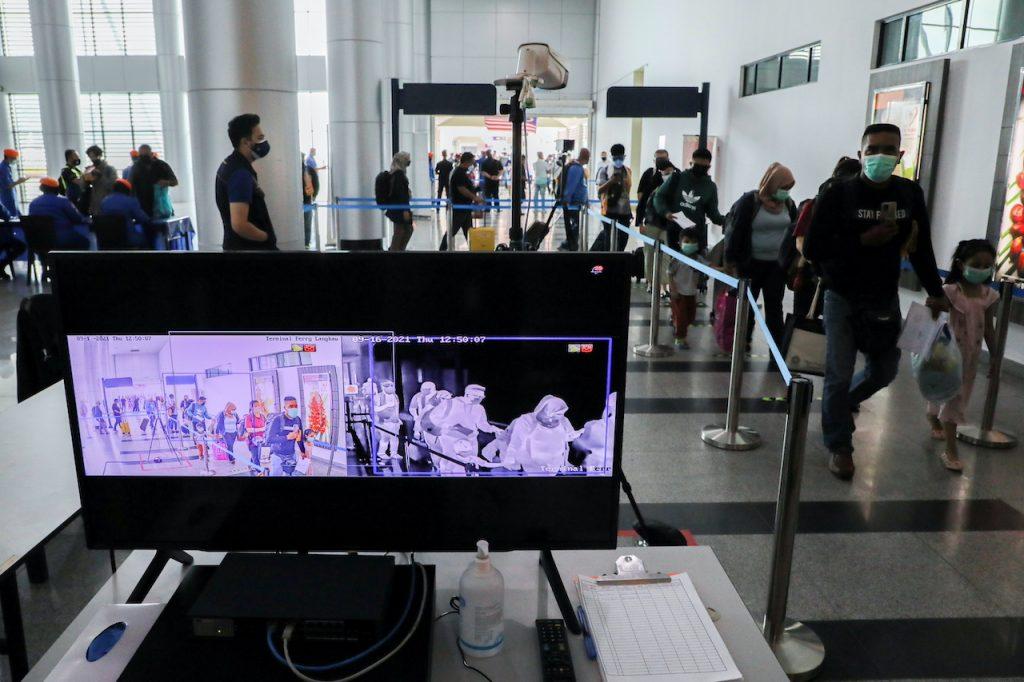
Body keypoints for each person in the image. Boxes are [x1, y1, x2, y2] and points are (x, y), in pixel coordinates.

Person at [804, 123, 948, 480]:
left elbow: (921, 247)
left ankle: (842, 405)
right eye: (873, 149)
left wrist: (935, 290)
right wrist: (862, 241)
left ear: (900, 155)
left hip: (883, 296)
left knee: (884, 370)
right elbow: (812, 248)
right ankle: (839, 445)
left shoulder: (909, 194)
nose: (880, 156)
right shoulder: (839, 194)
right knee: (837, 372)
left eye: (889, 149)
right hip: (841, 295)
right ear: (860, 154)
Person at [926, 240, 999, 473]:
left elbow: (988, 327)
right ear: (960, 264)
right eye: (976, 264)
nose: (981, 269)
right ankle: (951, 450)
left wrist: (996, 356)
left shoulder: (989, 296)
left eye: (987, 265)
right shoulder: (951, 292)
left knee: (956, 395)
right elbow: (935, 314)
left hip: (970, 358)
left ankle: (933, 416)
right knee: (949, 395)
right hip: (947, 354)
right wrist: (935, 305)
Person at [724, 162, 798, 348]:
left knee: (775, 308)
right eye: (784, 187)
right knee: (747, 306)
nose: (786, 192)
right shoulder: (750, 201)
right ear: (773, 183)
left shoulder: (788, 204)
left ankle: (777, 350)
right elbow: (736, 231)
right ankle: (742, 342)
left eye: (789, 188)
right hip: (749, 264)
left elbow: (794, 232)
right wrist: (731, 261)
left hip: (776, 266)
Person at [790, 156, 862, 321]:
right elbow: (801, 244)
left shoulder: (858, 208)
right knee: (806, 326)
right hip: (813, 277)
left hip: (838, 281)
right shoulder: (815, 204)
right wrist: (825, 262)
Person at [217, 113, 277, 250]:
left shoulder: (230, 164)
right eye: (260, 138)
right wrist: (266, 238)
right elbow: (240, 225)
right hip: (249, 251)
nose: (264, 142)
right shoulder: (240, 174)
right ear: (245, 142)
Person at [654, 147, 726, 251]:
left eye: (704, 167)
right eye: (697, 166)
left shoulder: (710, 187)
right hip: (675, 230)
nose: (700, 170)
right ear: (691, 163)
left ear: (709, 167)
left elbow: (713, 214)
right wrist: (665, 212)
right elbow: (658, 196)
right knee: (675, 264)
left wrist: (727, 221)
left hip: (696, 234)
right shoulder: (677, 178)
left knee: (695, 264)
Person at [501, 396, 582, 474]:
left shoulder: (563, 420)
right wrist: (510, 457)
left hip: (555, 467)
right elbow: (516, 441)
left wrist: (577, 433)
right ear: (548, 411)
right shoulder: (527, 420)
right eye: (559, 413)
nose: (562, 416)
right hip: (533, 468)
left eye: (563, 413)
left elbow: (568, 437)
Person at [667, 228, 707, 349]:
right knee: (682, 317)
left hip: (691, 293)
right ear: (680, 243)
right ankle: (680, 339)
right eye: (687, 241)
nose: (690, 244)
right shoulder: (677, 259)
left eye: (693, 242)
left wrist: (723, 270)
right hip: (679, 293)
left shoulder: (698, 259)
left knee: (690, 317)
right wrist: (673, 289)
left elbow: (709, 266)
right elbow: (669, 273)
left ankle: (674, 320)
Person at [28, 178, 91, 250]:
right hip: (62, 238)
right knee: (85, 242)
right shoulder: (63, 201)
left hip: (40, 240)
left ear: (42, 189)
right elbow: (77, 218)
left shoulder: (33, 203)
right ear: (57, 189)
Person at [441, 152, 484, 251]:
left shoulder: (461, 172)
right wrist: (475, 197)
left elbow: (466, 187)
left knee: (469, 232)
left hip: (465, 208)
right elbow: (462, 189)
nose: (473, 165)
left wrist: (476, 189)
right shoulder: (459, 172)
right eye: (472, 162)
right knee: (451, 232)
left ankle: (474, 250)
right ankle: (441, 251)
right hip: (460, 208)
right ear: (467, 161)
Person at [594, 143, 631, 251]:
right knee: (608, 238)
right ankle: (607, 260)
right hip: (609, 210)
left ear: (624, 157)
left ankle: (619, 259)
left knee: (623, 238)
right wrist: (611, 181)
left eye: (621, 157)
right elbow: (600, 190)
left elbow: (627, 191)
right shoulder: (604, 170)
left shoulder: (627, 171)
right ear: (612, 157)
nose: (618, 160)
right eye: (616, 158)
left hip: (624, 211)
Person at [99, 178, 152, 247]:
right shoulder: (131, 201)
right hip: (128, 238)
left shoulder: (104, 201)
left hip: (107, 239)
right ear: (127, 190)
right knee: (149, 237)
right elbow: (144, 219)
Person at [556, 147, 590, 251]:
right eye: (588, 157)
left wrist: (586, 200)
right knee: (573, 227)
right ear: (585, 156)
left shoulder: (578, 167)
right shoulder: (576, 168)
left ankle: (571, 245)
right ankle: (570, 246)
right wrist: (566, 199)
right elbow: (571, 185)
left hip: (575, 203)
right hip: (572, 204)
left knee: (574, 227)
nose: (589, 159)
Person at [131, 144, 178, 219]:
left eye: (146, 155)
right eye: (142, 156)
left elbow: (175, 181)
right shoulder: (136, 167)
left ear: (151, 153)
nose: (143, 158)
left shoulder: (162, 165)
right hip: (143, 208)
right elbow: (131, 187)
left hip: (161, 207)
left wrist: (166, 182)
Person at [266, 396, 306, 476]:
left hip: (291, 455)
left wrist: (303, 451)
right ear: (285, 408)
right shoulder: (277, 420)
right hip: (277, 455)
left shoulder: (297, 419)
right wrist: (287, 437)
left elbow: (299, 438)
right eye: (291, 406)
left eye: (296, 406)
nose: (294, 408)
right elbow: (269, 439)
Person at [384, 151, 414, 251]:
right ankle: (395, 251)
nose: (409, 162)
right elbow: (401, 194)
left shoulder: (396, 172)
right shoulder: (399, 174)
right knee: (401, 230)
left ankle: (398, 250)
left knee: (404, 230)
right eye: (407, 160)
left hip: (398, 207)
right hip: (400, 208)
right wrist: (405, 210)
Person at [81, 146, 118, 217]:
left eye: (94, 156)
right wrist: (85, 179)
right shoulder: (90, 169)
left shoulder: (109, 169)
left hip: (108, 203)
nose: (93, 159)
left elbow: (113, 186)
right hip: (95, 205)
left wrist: (100, 176)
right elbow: (82, 187)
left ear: (100, 155)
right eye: (90, 157)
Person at [374, 379, 402, 461]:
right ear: (383, 387)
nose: (390, 387)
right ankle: (381, 453)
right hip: (383, 421)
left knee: (395, 438)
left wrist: (397, 418)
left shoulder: (395, 396)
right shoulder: (378, 396)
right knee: (385, 438)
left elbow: (397, 408)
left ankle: (394, 453)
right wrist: (386, 405)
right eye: (388, 386)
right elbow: (375, 409)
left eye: (391, 385)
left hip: (394, 421)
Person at [0, 149, 27, 217]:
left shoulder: (7, 167)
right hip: (7, 197)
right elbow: (6, 186)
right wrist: (19, 181)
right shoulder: (3, 168)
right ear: (8, 157)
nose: (15, 160)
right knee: (11, 217)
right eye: (14, 158)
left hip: (10, 196)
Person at [244, 400, 267, 475]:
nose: (257, 407)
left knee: (257, 455)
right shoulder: (249, 417)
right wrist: (262, 429)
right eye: (255, 406)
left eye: (258, 405)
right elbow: (248, 429)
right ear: (251, 408)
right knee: (256, 457)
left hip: (261, 440)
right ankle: (259, 472)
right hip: (252, 441)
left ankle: (251, 463)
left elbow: (267, 426)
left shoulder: (262, 416)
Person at [479, 150, 503, 216]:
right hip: (495, 181)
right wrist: (497, 177)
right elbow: (501, 170)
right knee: (495, 195)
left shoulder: (484, 162)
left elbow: (482, 172)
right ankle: (497, 208)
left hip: (488, 181)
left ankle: (488, 208)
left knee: (488, 195)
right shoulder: (497, 162)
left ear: (486, 154)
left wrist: (490, 177)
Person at [302, 156, 315, 248]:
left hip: (302, 202)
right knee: (307, 224)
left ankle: (305, 243)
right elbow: (316, 184)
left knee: (305, 224)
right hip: (307, 201)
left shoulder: (293, 170)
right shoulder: (309, 170)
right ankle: (306, 244)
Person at [532, 151, 549, 217]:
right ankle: (543, 209)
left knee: (535, 195)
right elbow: (548, 170)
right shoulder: (544, 163)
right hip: (543, 181)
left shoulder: (534, 163)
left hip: (537, 180)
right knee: (542, 196)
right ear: (541, 155)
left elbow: (535, 170)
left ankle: (535, 209)